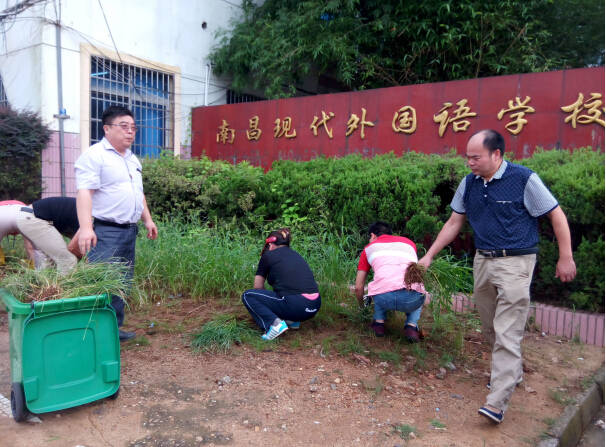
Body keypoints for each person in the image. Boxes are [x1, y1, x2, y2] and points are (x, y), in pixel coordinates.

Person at [418, 129, 576, 424]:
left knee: (506, 332)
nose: (470, 162)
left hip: (516, 262)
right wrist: (429, 256)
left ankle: (496, 402)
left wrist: (565, 256)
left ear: (497, 154)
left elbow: (556, 215)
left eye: (475, 157)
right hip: (483, 260)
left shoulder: (524, 179)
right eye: (467, 157)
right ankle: (512, 371)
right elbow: (454, 222)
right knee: (490, 326)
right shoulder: (469, 183)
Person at [75, 105, 158, 342]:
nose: (130, 131)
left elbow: (138, 193)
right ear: (107, 129)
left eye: (133, 127)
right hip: (106, 231)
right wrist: (86, 228)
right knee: (102, 281)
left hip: (129, 231)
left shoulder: (132, 159)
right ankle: (92, 332)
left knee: (121, 281)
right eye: (124, 126)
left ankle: (113, 329)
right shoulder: (95, 155)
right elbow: (84, 192)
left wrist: (148, 219)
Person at [242, 228, 321, 340]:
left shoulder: (268, 256)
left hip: (296, 305)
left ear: (270, 244)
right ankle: (292, 321)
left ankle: (274, 325)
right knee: (282, 292)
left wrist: (265, 306)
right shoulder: (296, 255)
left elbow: (258, 287)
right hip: (314, 306)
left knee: (248, 295)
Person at [355, 221, 426, 342]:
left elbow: (358, 287)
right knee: (417, 286)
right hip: (412, 300)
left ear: (372, 235)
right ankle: (411, 326)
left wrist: (362, 308)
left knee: (379, 283)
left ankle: (378, 324)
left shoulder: (368, 249)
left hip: (384, 298)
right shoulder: (409, 243)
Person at [0, 198, 80, 271]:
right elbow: (72, 247)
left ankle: (42, 276)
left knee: (47, 253)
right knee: (65, 259)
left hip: (23, 214)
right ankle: (44, 275)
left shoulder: (77, 211)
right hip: (27, 216)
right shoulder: (83, 216)